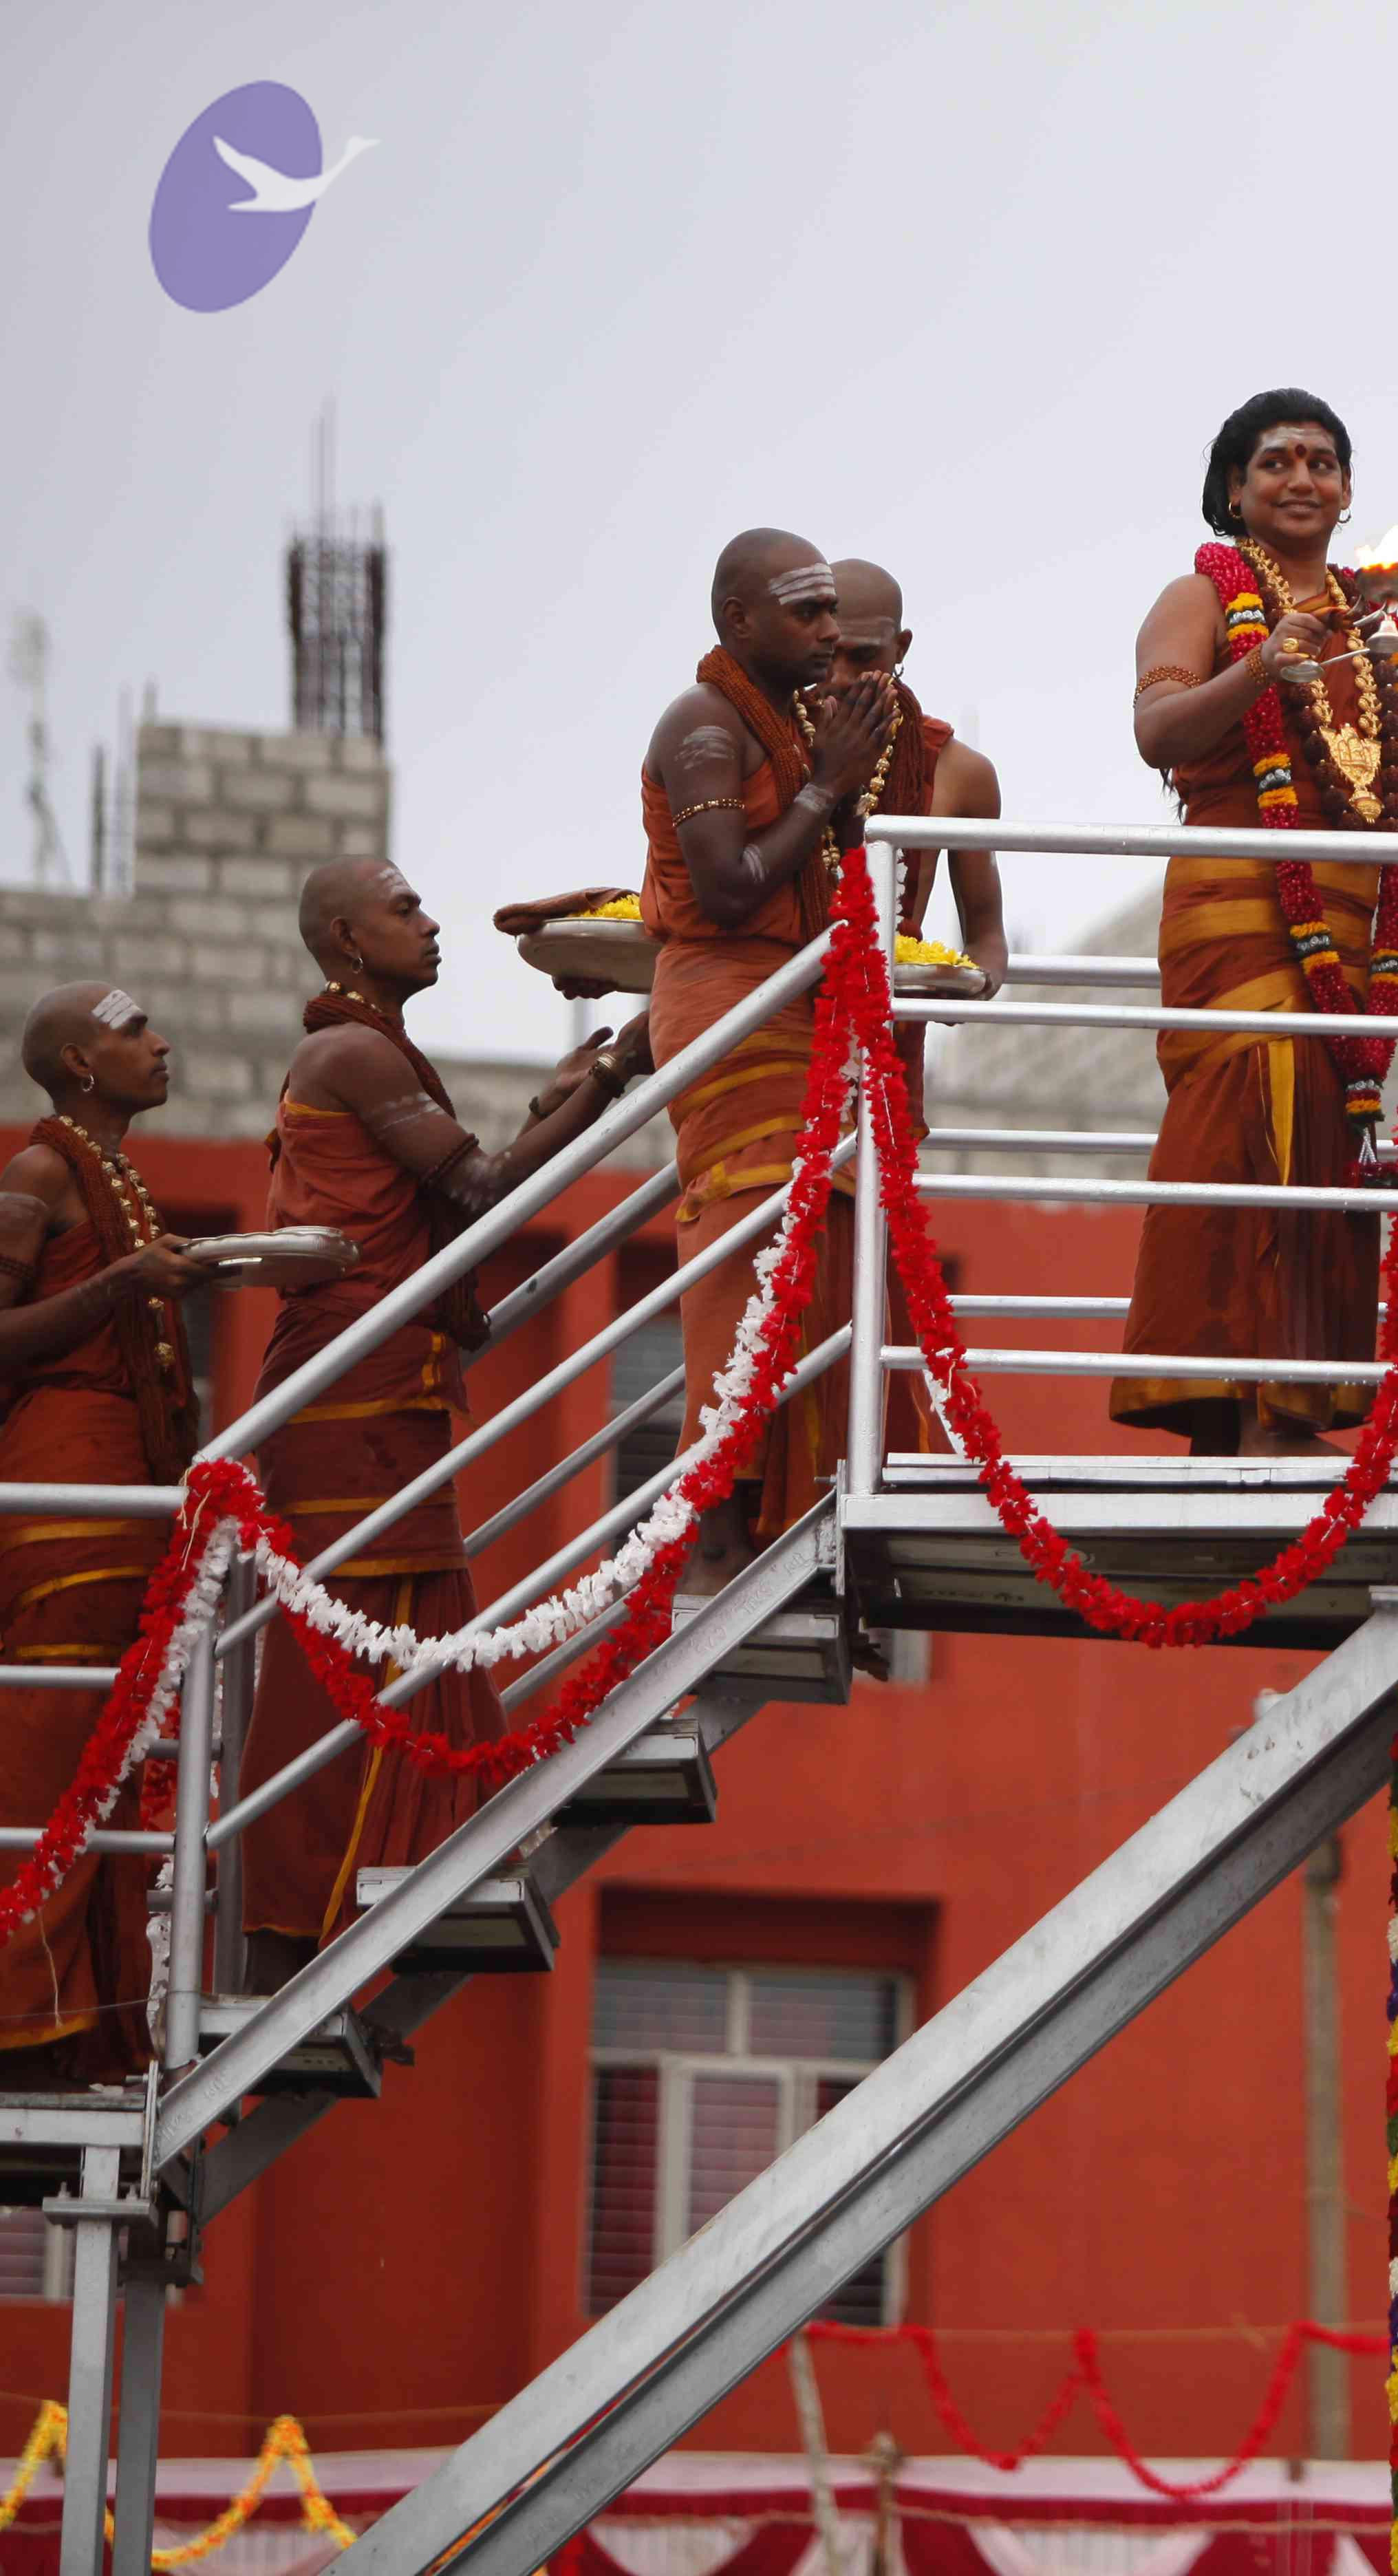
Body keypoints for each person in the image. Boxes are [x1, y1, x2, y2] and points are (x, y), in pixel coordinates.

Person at [236, 861, 647, 1976]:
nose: (429, 924)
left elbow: (458, 1183)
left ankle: (352, 1904)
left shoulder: (368, 1050)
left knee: (407, 1619)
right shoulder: (353, 1052)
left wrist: (588, 1083)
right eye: (404, 908)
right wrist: (610, 1076)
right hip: (349, 1375)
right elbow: (479, 1190)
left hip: (377, 1375)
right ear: (343, 937)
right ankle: (291, 1919)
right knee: (343, 1640)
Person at [1114, 389, 1398, 1456]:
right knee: (1251, 1118)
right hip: (1239, 914)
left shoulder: (1375, 628)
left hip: (1346, 932)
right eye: (1275, 462)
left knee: (1325, 1147)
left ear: (1348, 492)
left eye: (1322, 462)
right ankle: (1236, 1419)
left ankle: (1290, 1423)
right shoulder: (1199, 596)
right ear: (1234, 493)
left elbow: (1385, 806)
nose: (1301, 478)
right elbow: (1157, 732)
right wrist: (1259, 665)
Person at [638, 530, 903, 1578]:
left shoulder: (795, 720)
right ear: (737, 621)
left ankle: (787, 1516)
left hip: (800, 1011)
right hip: (728, 1012)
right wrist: (826, 785)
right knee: (747, 1255)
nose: (831, 632)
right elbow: (727, 887)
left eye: (834, 612)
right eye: (807, 613)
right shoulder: (702, 724)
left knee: (819, 1248)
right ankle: (711, 1528)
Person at [0, 989, 225, 2083]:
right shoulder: (40, 1175)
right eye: (138, 1030)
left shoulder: (117, 1179)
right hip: (64, 1494)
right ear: (82, 1065)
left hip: (123, 1489)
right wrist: (130, 1281)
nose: (163, 1041)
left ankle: (85, 2030)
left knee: (108, 1757)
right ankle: (21, 2027)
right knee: (49, 1762)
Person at [824, 559, 1007, 1119]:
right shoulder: (769, 740)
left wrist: (967, 986)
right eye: (827, 652)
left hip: (888, 1027)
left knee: (870, 1204)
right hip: (773, 1017)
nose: (837, 676)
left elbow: (987, 938)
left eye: (862, 656)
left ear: (900, 647)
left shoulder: (960, 773)